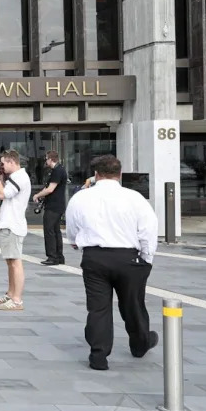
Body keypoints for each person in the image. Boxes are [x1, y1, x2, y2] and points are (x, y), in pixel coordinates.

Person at [66, 155, 159, 371]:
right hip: (129, 258)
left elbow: (71, 227)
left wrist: (75, 242)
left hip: (95, 258)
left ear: (96, 174)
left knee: (98, 308)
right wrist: (147, 258)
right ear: (120, 174)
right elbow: (148, 230)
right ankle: (140, 344)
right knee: (133, 305)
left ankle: (98, 355)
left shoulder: (81, 198)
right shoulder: (134, 198)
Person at [0, 149, 31, 311]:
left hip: (13, 224)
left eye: (4, 163)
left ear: (12, 162)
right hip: (11, 223)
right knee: (11, 261)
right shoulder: (19, 177)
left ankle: (17, 300)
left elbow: (2, 195)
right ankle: (11, 294)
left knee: (15, 262)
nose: (2, 166)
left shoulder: (18, 178)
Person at [33, 150, 68, 266]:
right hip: (58, 205)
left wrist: (37, 195)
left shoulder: (57, 171)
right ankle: (59, 257)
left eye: (46, 159)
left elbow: (50, 189)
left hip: (53, 205)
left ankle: (52, 257)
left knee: (49, 231)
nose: (45, 161)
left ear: (50, 159)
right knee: (56, 231)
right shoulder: (59, 169)